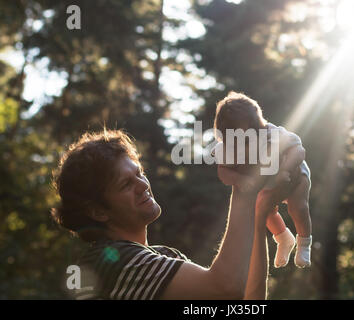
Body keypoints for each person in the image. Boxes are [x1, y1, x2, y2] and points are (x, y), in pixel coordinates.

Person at [51, 129, 293, 299]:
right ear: (98, 211)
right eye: (126, 184)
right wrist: (244, 185)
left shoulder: (161, 258)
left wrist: (257, 215)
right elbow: (225, 288)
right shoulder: (114, 261)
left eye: (140, 173)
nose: (143, 184)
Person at [213, 92, 312, 268]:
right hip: (269, 184)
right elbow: (223, 172)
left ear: (257, 126)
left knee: (298, 208)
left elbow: (299, 151)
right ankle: (283, 239)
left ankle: (304, 243)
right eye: (234, 138)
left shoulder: (273, 134)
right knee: (263, 209)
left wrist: (285, 170)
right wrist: (240, 178)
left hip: (295, 178)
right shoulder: (228, 148)